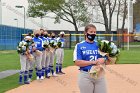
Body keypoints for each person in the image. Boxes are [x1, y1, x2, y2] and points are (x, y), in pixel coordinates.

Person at [73, 24, 109, 93]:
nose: (93, 34)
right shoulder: (79, 45)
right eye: (91, 32)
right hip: (86, 75)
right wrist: (92, 62)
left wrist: (104, 59)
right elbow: (77, 62)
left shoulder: (100, 45)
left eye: (95, 32)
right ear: (86, 33)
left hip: (99, 75)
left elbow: (108, 60)